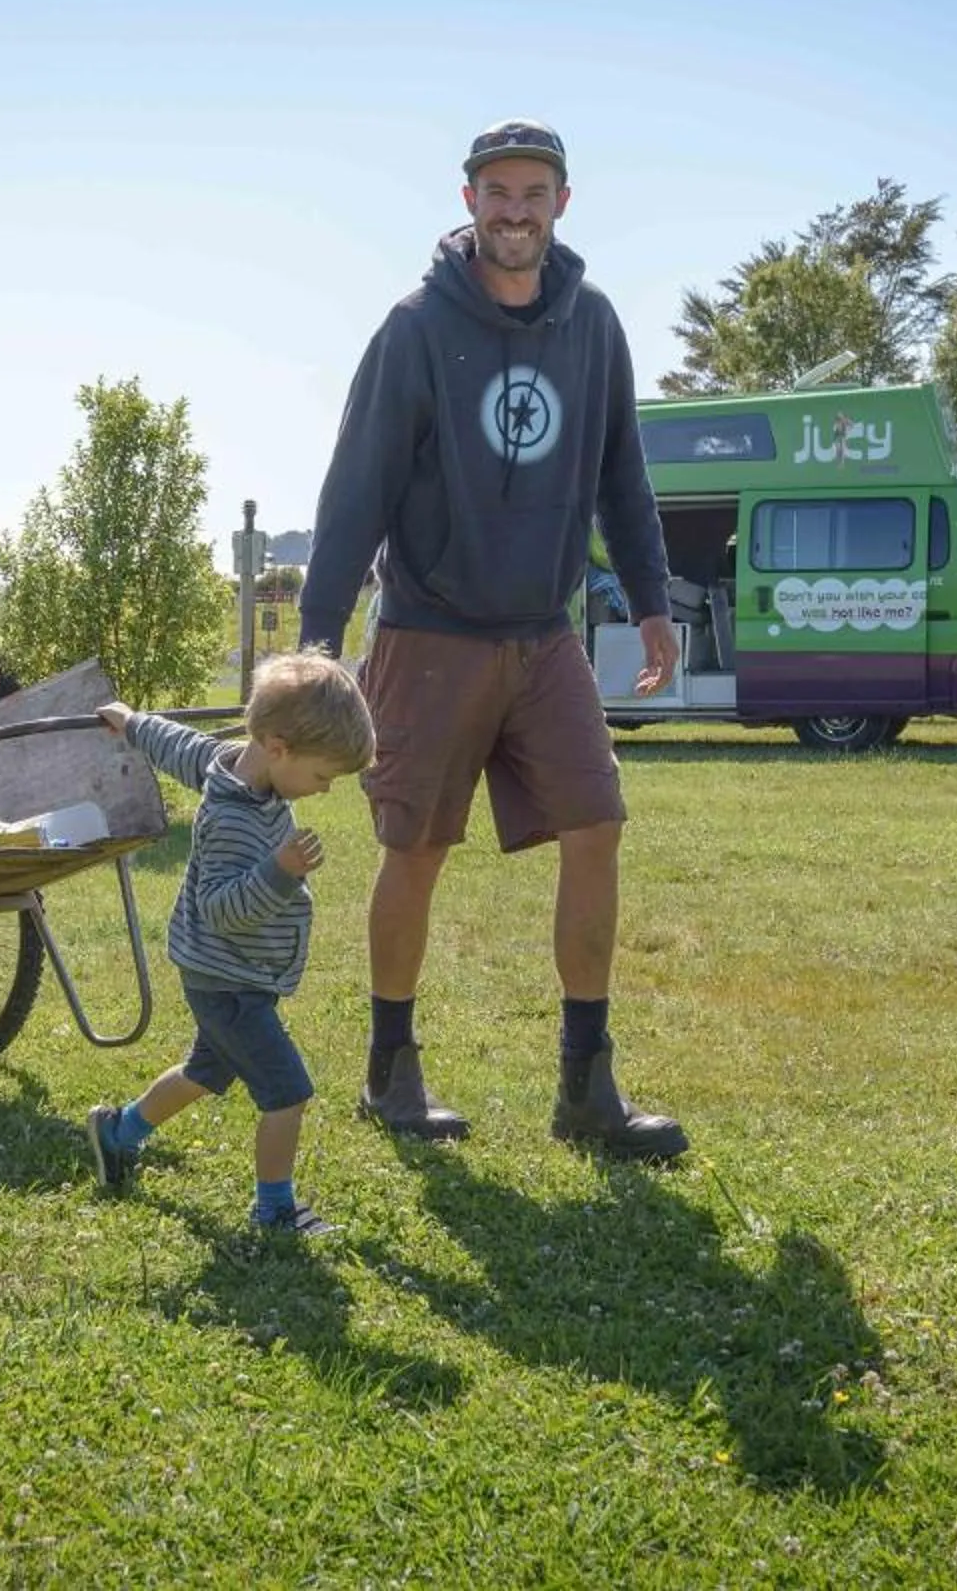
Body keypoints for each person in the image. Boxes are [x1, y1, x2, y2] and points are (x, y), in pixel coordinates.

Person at [295, 118, 689, 1161]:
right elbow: (358, 485)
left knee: (598, 821)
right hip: (430, 630)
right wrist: (320, 631)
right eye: (498, 192)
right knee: (414, 849)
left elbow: (622, 473)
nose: (516, 210)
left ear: (564, 202)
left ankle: (588, 1086)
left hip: (541, 632)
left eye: (535, 192)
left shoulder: (593, 323)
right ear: (469, 201)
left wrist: (652, 597)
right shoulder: (417, 326)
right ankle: (390, 1069)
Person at [84, 651, 377, 1237]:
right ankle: (274, 1211)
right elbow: (222, 910)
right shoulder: (232, 820)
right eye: (323, 776)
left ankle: (117, 1133)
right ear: (278, 748)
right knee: (286, 1092)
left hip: (225, 974)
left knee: (204, 1070)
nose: (322, 791)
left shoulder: (229, 764)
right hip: (228, 979)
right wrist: (279, 871)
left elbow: (181, 746)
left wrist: (134, 721)